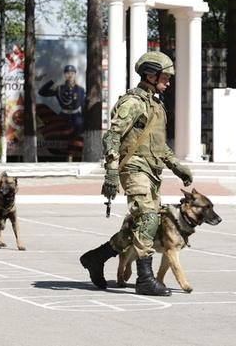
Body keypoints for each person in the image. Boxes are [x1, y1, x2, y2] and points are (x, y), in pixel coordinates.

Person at [79, 51, 193, 296]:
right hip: (134, 167)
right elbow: (112, 137)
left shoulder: (156, 104)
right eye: (165, 77)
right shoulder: (132, 102)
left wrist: (176, 166)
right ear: (151, 75)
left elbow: (159, 146)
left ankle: (96, 257)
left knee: (141, 227)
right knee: (148, 219)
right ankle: (145, 279)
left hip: (152, 171)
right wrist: (111, 171)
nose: (168, 82)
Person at [37, 64, 86, 136]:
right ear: (64, 75)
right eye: (67, 73)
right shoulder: (59, 89)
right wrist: (53, 81)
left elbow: (83, 106)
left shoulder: (80, 90)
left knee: (78, 137)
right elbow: (42, 92)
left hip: (76, 118)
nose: (70, 75)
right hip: (63, 116)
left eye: (72, 73)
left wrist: (83, 120)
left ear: (75, 74)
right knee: (60, 136)